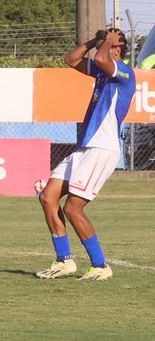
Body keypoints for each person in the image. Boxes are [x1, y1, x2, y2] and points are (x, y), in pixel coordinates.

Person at [36, 28, 136, 281]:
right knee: (48, 197)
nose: (103, 48)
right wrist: (94, 41)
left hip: (101, 150)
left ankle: (101, 265)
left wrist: (109, 42)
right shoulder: (101, 75)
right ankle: (64, 261)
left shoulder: (124, 73)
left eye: (109, 45)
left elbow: (103, 59)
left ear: (117, 49)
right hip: (84, 149)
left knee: (73, 209)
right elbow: (71, 59)